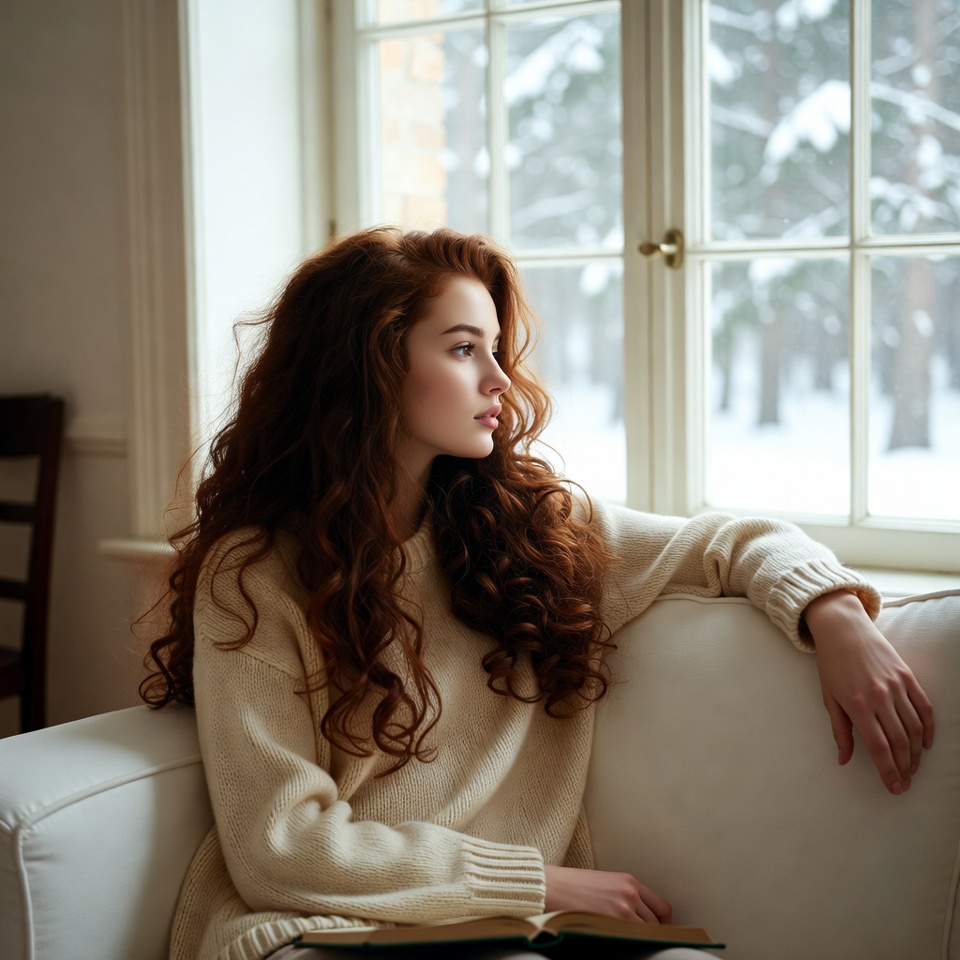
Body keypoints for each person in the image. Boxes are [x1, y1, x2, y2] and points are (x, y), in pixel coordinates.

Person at [141, 227, 934, 960]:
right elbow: (282, 848)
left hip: (511, 933)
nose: (497, 379)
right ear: (372, 366)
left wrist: (834, 616)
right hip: (318, 928)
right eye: (462, 349)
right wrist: (542, 882)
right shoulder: (252, 574)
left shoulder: (526, 532)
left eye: (495, 348)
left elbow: (726, 543)